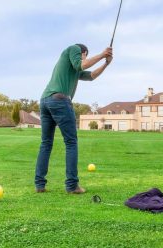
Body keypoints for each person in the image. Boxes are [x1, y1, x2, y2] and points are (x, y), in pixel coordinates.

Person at [35, 44, 112, 194]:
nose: (85, 58)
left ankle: (40, 185)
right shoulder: (74, 49)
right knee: (71, 142)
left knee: (46, 143)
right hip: (59, 100)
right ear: (83, 53)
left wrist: (106, 64)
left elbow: (91, 76)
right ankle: (72, 186)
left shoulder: (74, 70)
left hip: (45, 101)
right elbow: (83, 63)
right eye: (86, 55)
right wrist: (103, 54)